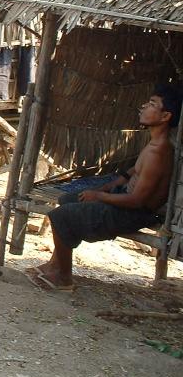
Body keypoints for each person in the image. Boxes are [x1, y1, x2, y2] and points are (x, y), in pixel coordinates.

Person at [28, 85, 181, 290]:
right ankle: (56, 264)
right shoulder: (154, 143)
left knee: (61, 216)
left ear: (165, 116)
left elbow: (137, 201)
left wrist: (99, 196)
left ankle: (63, 277)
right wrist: (107, 186)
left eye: (152, 104)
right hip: (125, 201)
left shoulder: (159, 152)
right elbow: (132, 173)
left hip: (134, 213)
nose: (144, 107)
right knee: (67, 200)